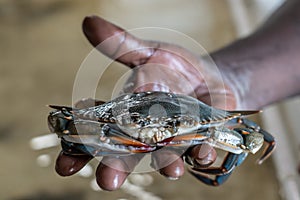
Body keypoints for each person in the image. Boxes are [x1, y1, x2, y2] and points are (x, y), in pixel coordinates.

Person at [55, 0, 300, 191]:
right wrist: (234, 81)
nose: (158, 133)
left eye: (177, 123)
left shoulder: (209, 127)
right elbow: (60, 121)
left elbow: (253, 141)